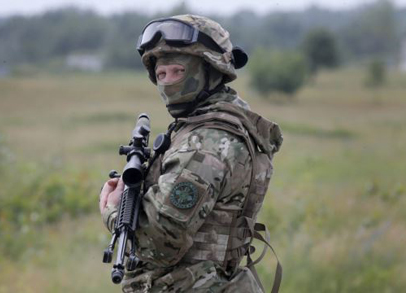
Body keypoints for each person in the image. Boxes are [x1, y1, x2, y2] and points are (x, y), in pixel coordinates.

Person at [100, 14, 283, 293]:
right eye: (161, 74)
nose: (168, 83)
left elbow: (161, 243)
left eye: (178, 72)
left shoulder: (205, 143)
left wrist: (112, 209)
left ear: (211, 69)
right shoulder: (232, 121)